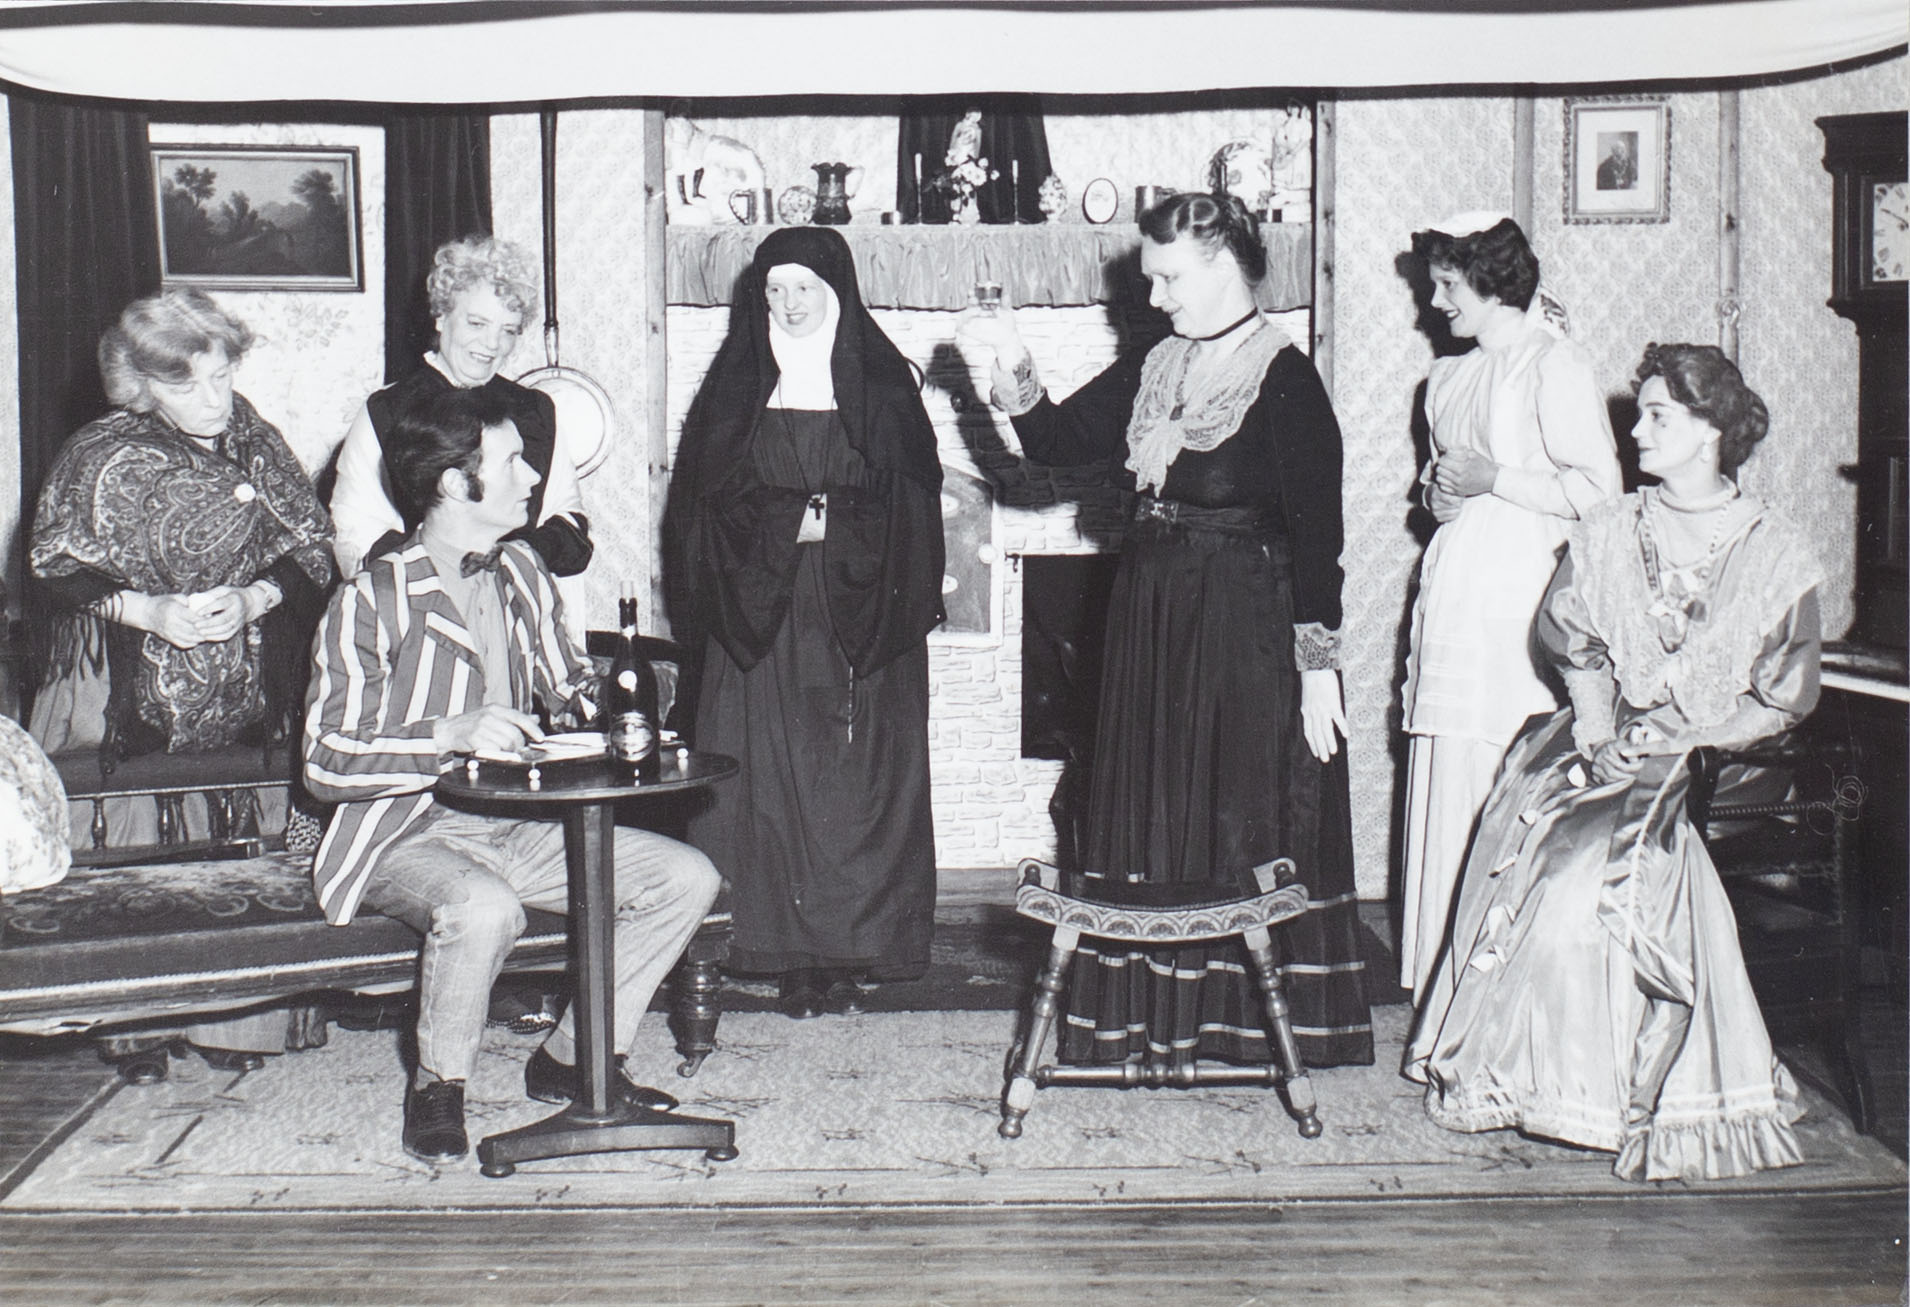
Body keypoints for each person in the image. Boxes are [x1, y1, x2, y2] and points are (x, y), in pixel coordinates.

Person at [959, 192, 1372, 1070]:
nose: (1154, 299)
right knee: (1147, 810)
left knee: (1232, 818)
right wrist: (1008, 370)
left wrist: (1319, 663)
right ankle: (1149, 1019)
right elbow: (1058, 444)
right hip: (1147, 617)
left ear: (1223, 263)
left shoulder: (1286, 377)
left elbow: (1319, 533)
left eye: (1168, 278)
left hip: (1240, 631)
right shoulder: (1157, 364)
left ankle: (1231, 1022)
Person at [1405, 344, 1816, 1183]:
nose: (1636, 429)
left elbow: (1780, 699)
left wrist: (1685, 739)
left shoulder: (1776, 549)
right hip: (1612, 732)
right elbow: (1574, 644)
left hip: (1723, 757)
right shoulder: (1610, 528)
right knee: (1528, 806)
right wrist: (1597, 733)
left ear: (1711, 432)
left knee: (1586, 863)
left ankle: (1613, 1090)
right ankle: (1523, 1078)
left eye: (1658, 414)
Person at [303, 384, 720, 1165]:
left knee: (685, 875)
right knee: (484, 906)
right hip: (405, 826)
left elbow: (565, 685)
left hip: (519, 821)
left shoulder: (523, 570)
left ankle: (574, 1058)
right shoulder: (371, 596)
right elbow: (326, 757)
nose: (533, 477)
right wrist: (443, 736)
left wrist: (611, 699)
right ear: (456, 483)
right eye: (514, 461)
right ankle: (438, 1086)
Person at [28, 287, 335, 1067]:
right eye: (186, 384)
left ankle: (240, 1022)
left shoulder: (254, 438)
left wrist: (254, 595)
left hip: (247, 682)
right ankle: (134, 1027)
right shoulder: (97, 454)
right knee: (136, 859)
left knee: (242, 849)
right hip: (125, 696)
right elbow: (48, 567)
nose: (213, 401)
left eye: (222, 377)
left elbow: (311, 545)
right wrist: (146, 611)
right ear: (139, 384)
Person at [670, 226, 945, 1021]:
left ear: (837, 295)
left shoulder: (887, 386)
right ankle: (777, 948)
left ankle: (855, 948)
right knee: (761, 789)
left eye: (804, 290)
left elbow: (916, 509)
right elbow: (702, 511)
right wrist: (801, 521)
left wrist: (825, 523)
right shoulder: (733, 387)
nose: (788, 307)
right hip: (762, 621)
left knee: (857, 788)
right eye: (773, 292)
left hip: (863, 624)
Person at [1397, 214, 1620, 1003]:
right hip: (1457, 598)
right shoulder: (1447, 379)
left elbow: (1601, 494)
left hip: (1524, 606)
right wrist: (1443, 492)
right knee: (1453, 771)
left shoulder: (1553, 365)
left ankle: (1500, 1005)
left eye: (1448, 285)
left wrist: (1496, 479)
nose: (1435, 300)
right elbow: (1438, 494)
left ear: (1491, 280)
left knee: (1507, 783)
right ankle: (1441, 997)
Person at [327, 235, 591, 580]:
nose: (493, 344)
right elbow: (356, 534)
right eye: (477, 323)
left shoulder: (534, 410)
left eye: (508, 330)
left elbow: (570, 524)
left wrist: (511, 562)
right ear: (440, 316)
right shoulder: (388, 411)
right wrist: (448, 574)